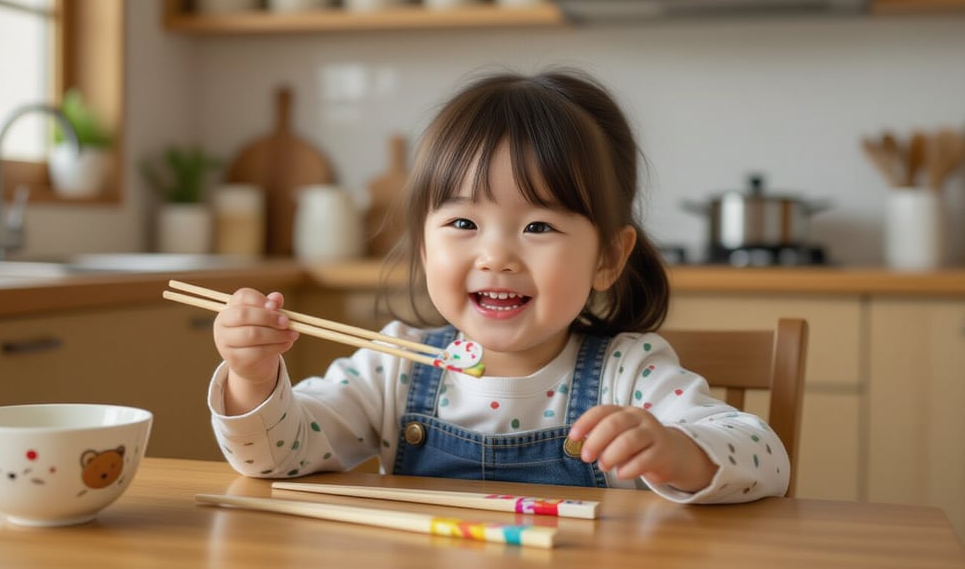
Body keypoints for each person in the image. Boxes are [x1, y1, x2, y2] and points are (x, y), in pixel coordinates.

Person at [208, 68, 789, 503]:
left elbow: (768, 460)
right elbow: (274, 461)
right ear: (423, 245)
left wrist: (677, 452)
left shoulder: (628, 372)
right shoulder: (393, 367)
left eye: (539, 226)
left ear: (608, 257)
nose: (496, 255)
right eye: (463, 223)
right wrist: (251, 377)